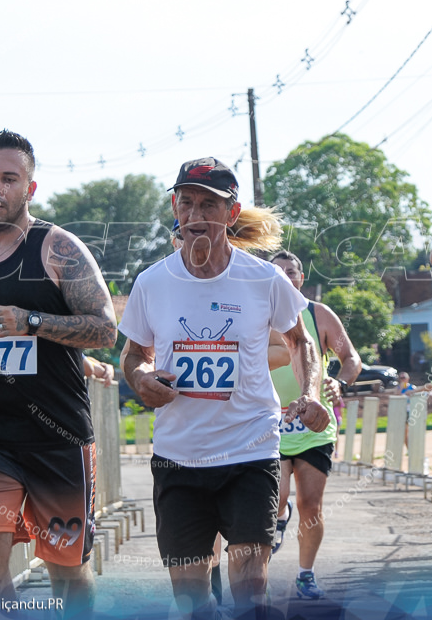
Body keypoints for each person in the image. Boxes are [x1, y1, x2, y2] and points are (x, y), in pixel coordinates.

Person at [118, 157, 328, 619]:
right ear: (175, 206)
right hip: (179, 457)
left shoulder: (264, 278)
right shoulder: (152, 282)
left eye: (208, 205)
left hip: (249, 451)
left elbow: (301, 342)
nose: (195, 216)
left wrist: (311, 392)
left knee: (250, 591)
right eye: (187, 203)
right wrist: (140, 379)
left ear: (231, 214)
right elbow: (133, 355)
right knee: (194, 603)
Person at [0, 129, 116, 618]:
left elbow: (104, 330)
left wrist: (30, 321)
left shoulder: (58, 249)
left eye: (9, 179)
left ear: (29, 188)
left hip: (57, 437)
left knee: (66, 568)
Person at [266, 250, 362, 600]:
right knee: (276, 497)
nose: (286, 278)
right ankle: (278, 516)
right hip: (270, 423)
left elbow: (350, 357)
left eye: (292, 272)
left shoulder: (318, 314)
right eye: (278, 273)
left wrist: (340, 381)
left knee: (312, 504)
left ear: (301, 278)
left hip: (312, 424)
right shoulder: (261, 311)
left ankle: (305, 574)